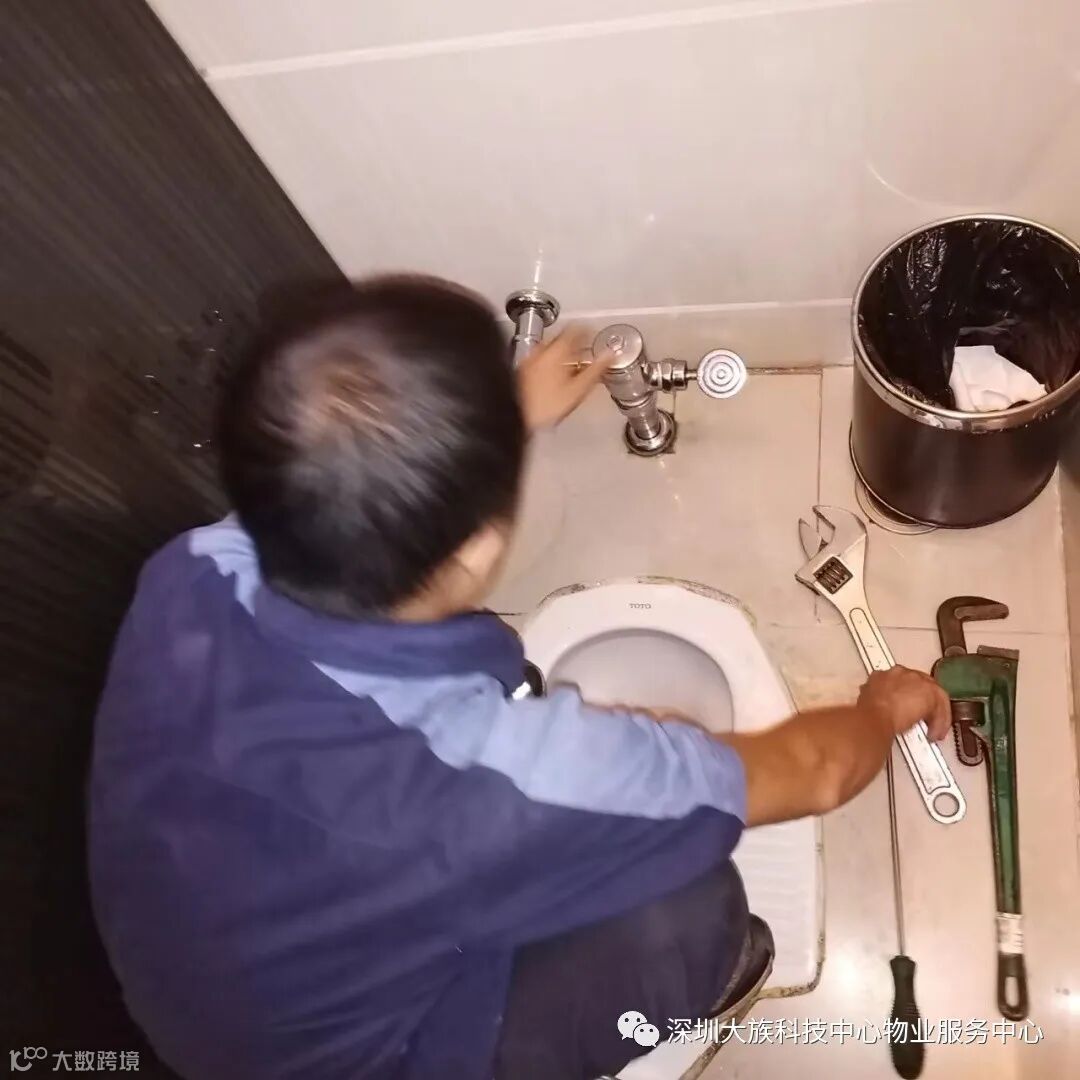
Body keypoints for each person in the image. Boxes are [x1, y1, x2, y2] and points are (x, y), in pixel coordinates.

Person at [88, 276, 951, 1080]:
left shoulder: (192, 569)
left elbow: (342, 477)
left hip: (204, 982)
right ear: (476, 550)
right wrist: (883, 706)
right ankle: (708, 974)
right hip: (359, 1061)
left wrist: (497, 419)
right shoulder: (495, 782)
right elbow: (814, 772)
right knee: (686, 907)